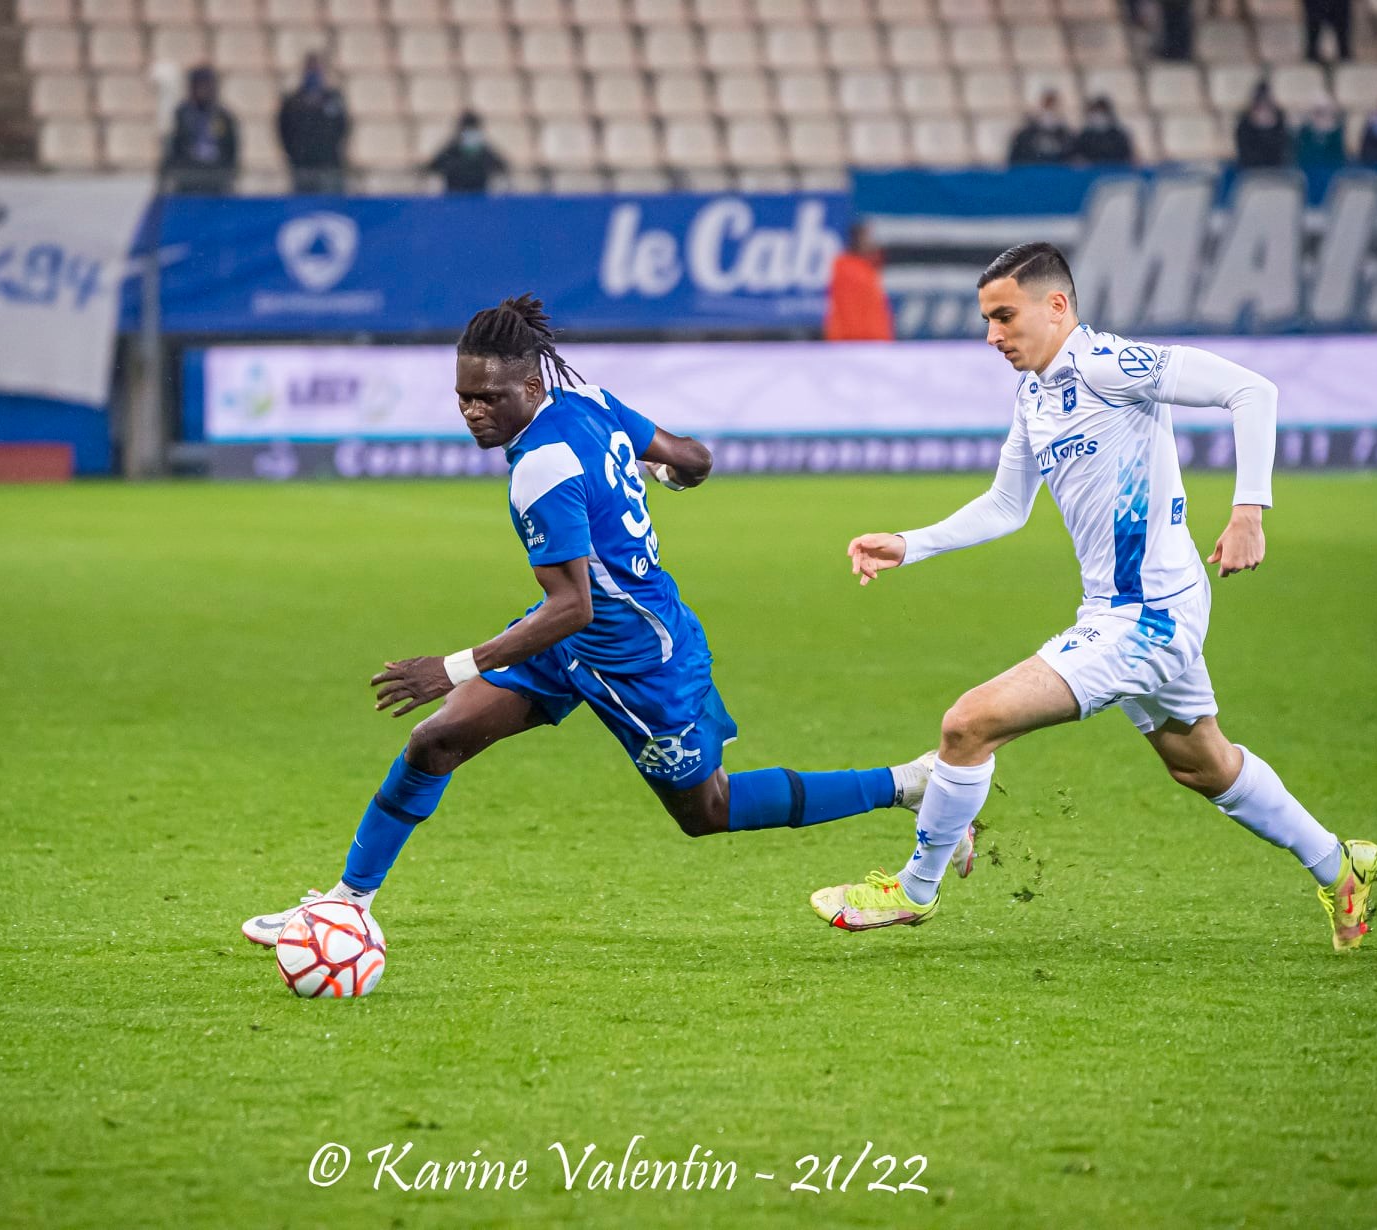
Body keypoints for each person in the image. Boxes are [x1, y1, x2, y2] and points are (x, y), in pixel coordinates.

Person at [240, 295, 964, 946]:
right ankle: (347, 904)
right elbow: (694, 459)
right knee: (438, 741)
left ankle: (909, 784)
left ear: (530, 386)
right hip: (575, 638)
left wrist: (450, 668)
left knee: (705, 811)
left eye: (489, 398)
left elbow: (572, 605)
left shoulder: (539, 467)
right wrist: (660, 474)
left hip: (637, 655)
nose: (472, 413)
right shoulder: (585, 399)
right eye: (463, 397)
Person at [809, 242, 1377, 954]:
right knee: (1202, 764)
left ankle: (914, 891)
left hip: (1147, 619)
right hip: (1124, 612)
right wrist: (910, 541)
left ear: (1056, 307)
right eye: (987, 319)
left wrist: (1248, 511)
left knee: (967, 725)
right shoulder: (1035, 394)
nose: (992, 335)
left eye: (1004, 316)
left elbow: (1252, 391)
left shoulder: (1110, 364)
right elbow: (1006, 506)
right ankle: (1341, 866)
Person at [277, 53, 349, 194]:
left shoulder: (333, 99)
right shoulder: (292, 101)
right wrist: (295, 153)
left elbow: (343, 128)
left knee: (330, 205)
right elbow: (283, 130)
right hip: (302, 165)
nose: (314, 72)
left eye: (317, 68)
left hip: (329, 164)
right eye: (311, 68)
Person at [162, 65, 239, 195]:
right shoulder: (182, 114)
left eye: (208, 85)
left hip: (216, 174)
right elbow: (176, 145)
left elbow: (232, 148)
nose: (204, 90)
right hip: (189, 174)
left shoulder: (224, 116)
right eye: (200, 85)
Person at [823, 222, 895, 341]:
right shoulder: (844, 266)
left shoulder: (868, 267)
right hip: (853, 339)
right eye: (866, 237)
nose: (871, 242)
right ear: (856, 239)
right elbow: (847, 307)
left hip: (874, 338)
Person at [426, 110, 507, 194]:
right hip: (455, 197)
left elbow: (501, 166)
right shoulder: (452, 149)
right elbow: (432, 167)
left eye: (473, 130)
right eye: (467, 130)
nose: (470, 135)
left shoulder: (484, 150)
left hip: (479, 197)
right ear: (460, 132)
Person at [1007, 91, 1074, 166]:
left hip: (1057, 164)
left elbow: (1069, 149)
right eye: (1048, 104)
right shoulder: (1029, 129)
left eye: (1052, 105)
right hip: (1034, 163)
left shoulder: (1062, 129)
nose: (1050, 109)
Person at [1234, 82, 1292, 168]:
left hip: (1278, 171)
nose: (1264, 114)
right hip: (1250, 170)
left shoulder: (1282, 127)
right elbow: (1245, 157)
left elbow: (1284, 155)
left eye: (1267, 109)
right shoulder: (1243, 128)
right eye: (1260, 109)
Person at [1071, 95, 1134, 165]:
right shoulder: (1085, 136)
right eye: (1095, 112)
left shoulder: (1118, 135)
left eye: (1101, 112)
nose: (1098, 117)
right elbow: (1076, 155)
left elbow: (1127, 155)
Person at [1296, 100, 1347, 167]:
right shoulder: (1306, 135)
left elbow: (1338, 158)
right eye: (1318, 113)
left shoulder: (1335, 136)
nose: (1321, 118)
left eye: (1324, 114)